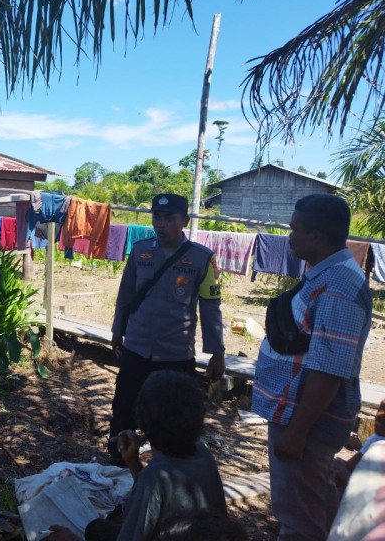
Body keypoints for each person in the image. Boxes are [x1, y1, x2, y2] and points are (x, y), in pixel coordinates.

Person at [252, 194, 372, 541]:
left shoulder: (338, 287)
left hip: (307, 424)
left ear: (317, 237)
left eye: (295, 230)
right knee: (316, 507)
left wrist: (298, 431)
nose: (289, 237)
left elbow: (330, 369)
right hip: (299, 418)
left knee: (299, 521)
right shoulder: (326, 274)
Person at [108, 193, 224, 465]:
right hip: (136, 348)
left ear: (184, 220)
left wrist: (217, 352)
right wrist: (117, 331)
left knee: (173, 417)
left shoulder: (202, 259)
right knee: (124, 409)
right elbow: (125, 295)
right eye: (156, 217)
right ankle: (116, 463)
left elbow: (210, 308)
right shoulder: (140, 250)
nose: (161, 224)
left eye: (169, 218)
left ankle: (170, 470)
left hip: (176, 354)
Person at [47, 371, 227, 541]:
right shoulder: (201, 452)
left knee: (94, 531)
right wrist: (132, 461)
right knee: (97, 529)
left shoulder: (153, 478)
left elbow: (153, 492)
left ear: (142, 420)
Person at [333, 398, 385, 489]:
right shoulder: (377, 438)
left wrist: (348, 479)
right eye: (381, 408)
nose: (380, 415)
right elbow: (351, 466)